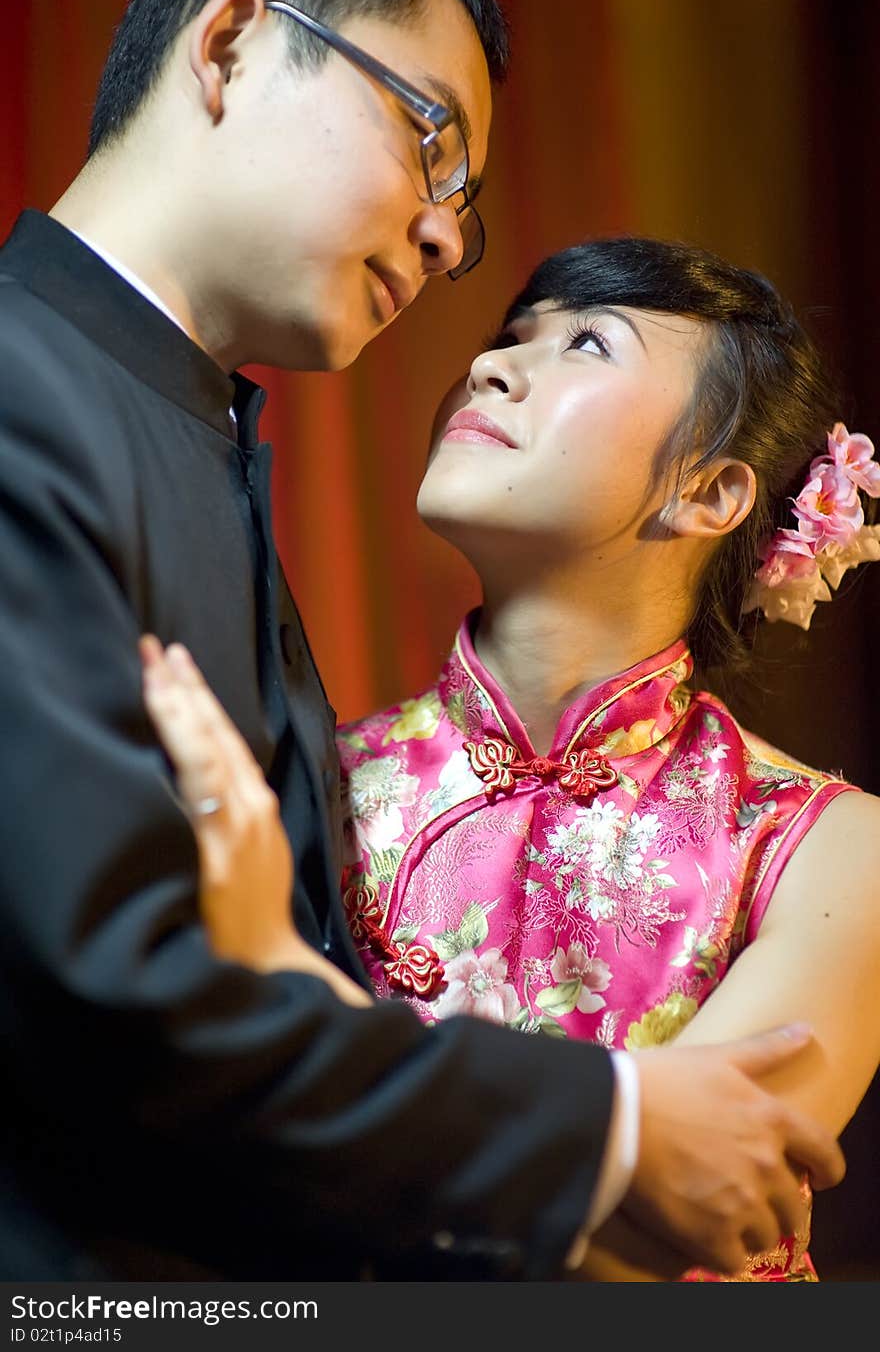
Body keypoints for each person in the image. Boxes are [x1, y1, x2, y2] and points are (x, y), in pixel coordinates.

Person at [0, 0, 845, 1282]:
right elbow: (113, 984)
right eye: (430, 139)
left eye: (466, 196)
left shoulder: (190, 436)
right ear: (229, 47)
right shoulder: (30, 391)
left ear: (718, 492)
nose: (452, 245)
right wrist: (615, 1128)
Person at [140, 236, 880, 1283]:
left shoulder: (827, 847)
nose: (491, 365)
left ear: (710, 495)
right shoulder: (307, 783)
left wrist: (289, 1002)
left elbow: (683, 1232)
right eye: (509, 337)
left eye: (585, 341)